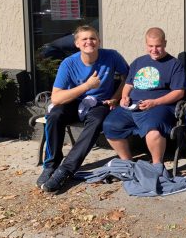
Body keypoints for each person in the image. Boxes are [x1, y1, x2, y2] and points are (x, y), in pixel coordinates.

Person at [37, 25, 129, 192]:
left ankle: (66, 170)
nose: (89, 42)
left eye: (93, 38)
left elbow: (127, 76)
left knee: (98, 120)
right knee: (55, 114)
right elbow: (56, 97)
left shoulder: (111, 56)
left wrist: (116, 97)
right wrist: (87, 86)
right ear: (77, 44)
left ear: (99, 41)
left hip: (99, 103)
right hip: (74, 101)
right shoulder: (69, 63)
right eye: (84, 39)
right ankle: (50, 165)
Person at [102, 27, 186, 173]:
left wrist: (155, 102)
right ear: (146, 44)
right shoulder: (138, 62)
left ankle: (157, 166)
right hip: (133, 105)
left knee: (153, 129)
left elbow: (179, 92)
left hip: (160, 106)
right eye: (150, 46)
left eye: (158, 46)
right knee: (110, 125)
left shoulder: (174, 64)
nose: (154, 50)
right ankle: (127, 162)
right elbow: (128, 84)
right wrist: (124, 96)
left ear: (165, 43)